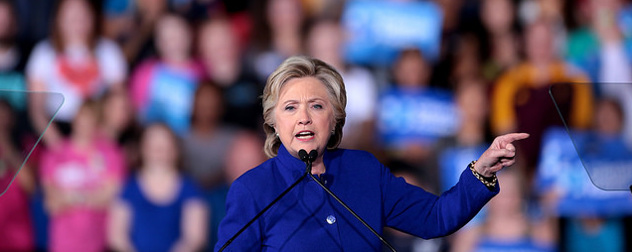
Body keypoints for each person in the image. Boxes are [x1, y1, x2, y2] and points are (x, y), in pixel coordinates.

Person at [215, 56, 529, 251]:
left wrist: (482, 171)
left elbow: (435, 218)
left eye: (317, 105)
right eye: (290, 107)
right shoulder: (253, 190)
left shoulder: (363, 170)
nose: (304, 117)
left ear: (335, 116)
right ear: (273, 121)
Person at [26, 0, 127, 148]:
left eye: (83, 13)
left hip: (98, 130)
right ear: (58, 18)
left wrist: (103, 142)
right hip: (56, 130)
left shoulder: (109, 51)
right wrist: (59, 146)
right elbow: (37, 109)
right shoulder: (43, 53)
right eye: (70, 14)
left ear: (93, 17)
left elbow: (120, 102)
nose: (77, 19)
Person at [40, 100, 126, 252]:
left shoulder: (111, 154)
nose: (85, 124)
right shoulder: (55, 154)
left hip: (99, 243)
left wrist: (71, 198)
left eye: (92, 119)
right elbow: (52, 205)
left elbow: (112, 198)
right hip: (62, 244)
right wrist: (91, 197)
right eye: (82, 118)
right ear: (74, 120)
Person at [108, 123, 207, 252]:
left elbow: (195, 238)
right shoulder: (128, 188)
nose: (159, 151)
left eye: (164, 146)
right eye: (153, 146)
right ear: (142, 149)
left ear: (175, 150)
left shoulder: (191, 189)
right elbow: (117, 236)